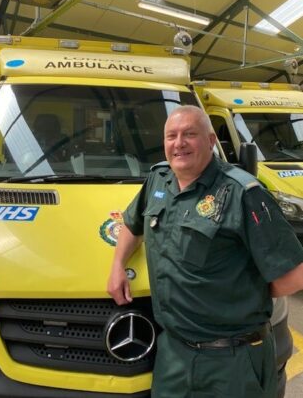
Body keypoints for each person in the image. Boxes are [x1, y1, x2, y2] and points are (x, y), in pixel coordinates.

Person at [107, 105, 303, 398]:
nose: (179, 143)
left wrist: (245, 293)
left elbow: (295, 274)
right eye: (171, 136)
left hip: (232, 361)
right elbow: (132, 223)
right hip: (173, 354)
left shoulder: (243, 193)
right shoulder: (158, 181)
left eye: (190, 134)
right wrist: (118, 265)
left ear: (211, 141)